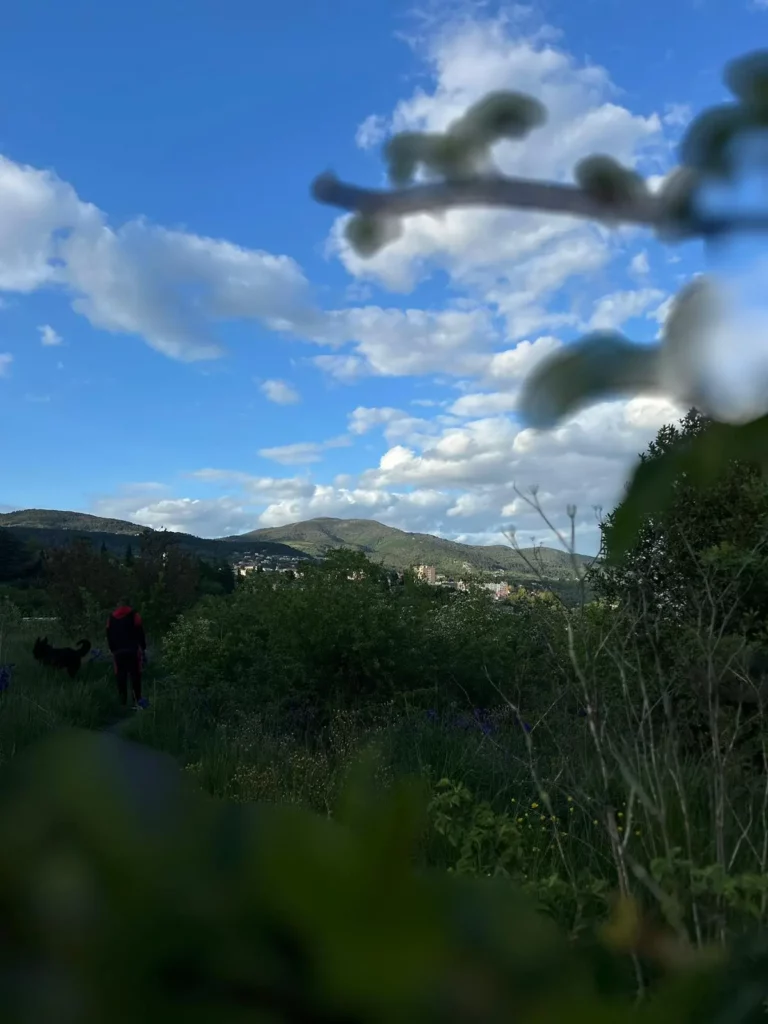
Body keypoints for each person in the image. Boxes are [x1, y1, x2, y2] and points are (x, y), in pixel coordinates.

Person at [106, 598, 149, 710]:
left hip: (118, 652)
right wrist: (143, 647)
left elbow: (109, 635)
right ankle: (137, 702)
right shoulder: (134, 615)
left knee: (120, 676)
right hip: (132, 651)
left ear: (117, 606)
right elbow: (140, 632)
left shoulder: (111, 618)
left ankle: (122, 703)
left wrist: (112, 649)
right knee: (135, 676)